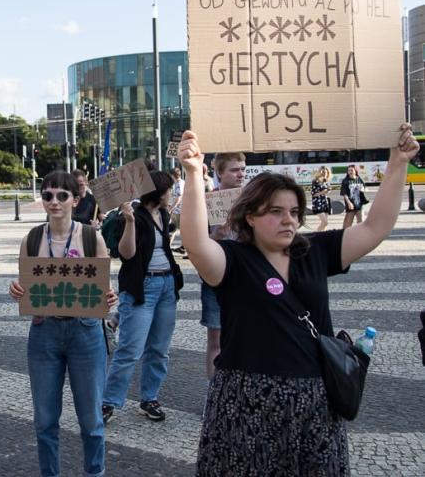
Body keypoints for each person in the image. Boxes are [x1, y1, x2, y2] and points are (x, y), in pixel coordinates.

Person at [178, 125, 418, 475]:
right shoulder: (232, 259)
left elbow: (375, 228)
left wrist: (398, 164)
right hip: (243, 400)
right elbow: (196, 243)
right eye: (275, 211)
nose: (288, 219)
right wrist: (193, 174)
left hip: (315, 399)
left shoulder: (315, 251)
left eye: (293, 211)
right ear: (251, 217)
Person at [9, 170, 117, 477]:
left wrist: (109, 298)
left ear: (76, 199)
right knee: (44, 421)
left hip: (85, 331)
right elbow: (26, 289)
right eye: (47, 195)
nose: (54, 202)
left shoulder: (90, 236)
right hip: (45, 332)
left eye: (61, 195)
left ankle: (94, 473)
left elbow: (103, 289)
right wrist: (18, 291)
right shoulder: (31, 239)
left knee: (92, 421)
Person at [101, 170, 181, 424]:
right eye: (169, 190)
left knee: (159, 349)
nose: (172, 194)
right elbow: (127, 254)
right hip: (142, 286)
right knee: (130, 349)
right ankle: (109, 402)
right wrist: (130, 221)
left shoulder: (163, 213)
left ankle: (150, 398)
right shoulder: (134, 215)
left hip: (167, 283)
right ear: (159, 192)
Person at [201, 152, 245, 381]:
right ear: (219, 173)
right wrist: (215, 235)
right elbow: (195, 242)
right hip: (215, 278)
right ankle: (214, 394)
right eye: (235, 169)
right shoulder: (206, 201)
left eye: (243, 169)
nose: (241, 174)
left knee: (246, 337)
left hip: (245, 276)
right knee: (216, 339)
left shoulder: (251, 200)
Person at [340, 165, 367, 229]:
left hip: (360, 204)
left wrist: (363, 189)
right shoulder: (345, 181)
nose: (350, 172)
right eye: (349, 170)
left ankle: (361, 237)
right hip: (351, 206)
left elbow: (365, 188)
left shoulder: (359, 179)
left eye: (351, 170)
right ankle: (343, 237)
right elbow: (344, 194)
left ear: (355, 171)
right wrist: (349, 203)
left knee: (361, 223)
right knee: (347, 225)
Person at [311, 166, 332, 232]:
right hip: (318, 203)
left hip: (325, 202)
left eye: (326, 172)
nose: (324, 173)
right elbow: (313, 194)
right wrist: (322, 192)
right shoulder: (315, 181)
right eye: (322, 172)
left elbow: (326, 192)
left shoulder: (326, 181)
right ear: (319, 172)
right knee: (325, 222)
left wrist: (327, 191)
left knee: (325, 224)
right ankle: (316, 235)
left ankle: (322, 236)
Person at [169, 167, 185, 252]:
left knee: (177, 229)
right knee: (173, 228)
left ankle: (183, 246)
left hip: (179, 210)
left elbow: (179, 197)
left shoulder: (179, 183)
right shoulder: (177, 183)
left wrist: (171, 208)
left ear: (172, 175)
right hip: (177, 210)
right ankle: (168, 246)